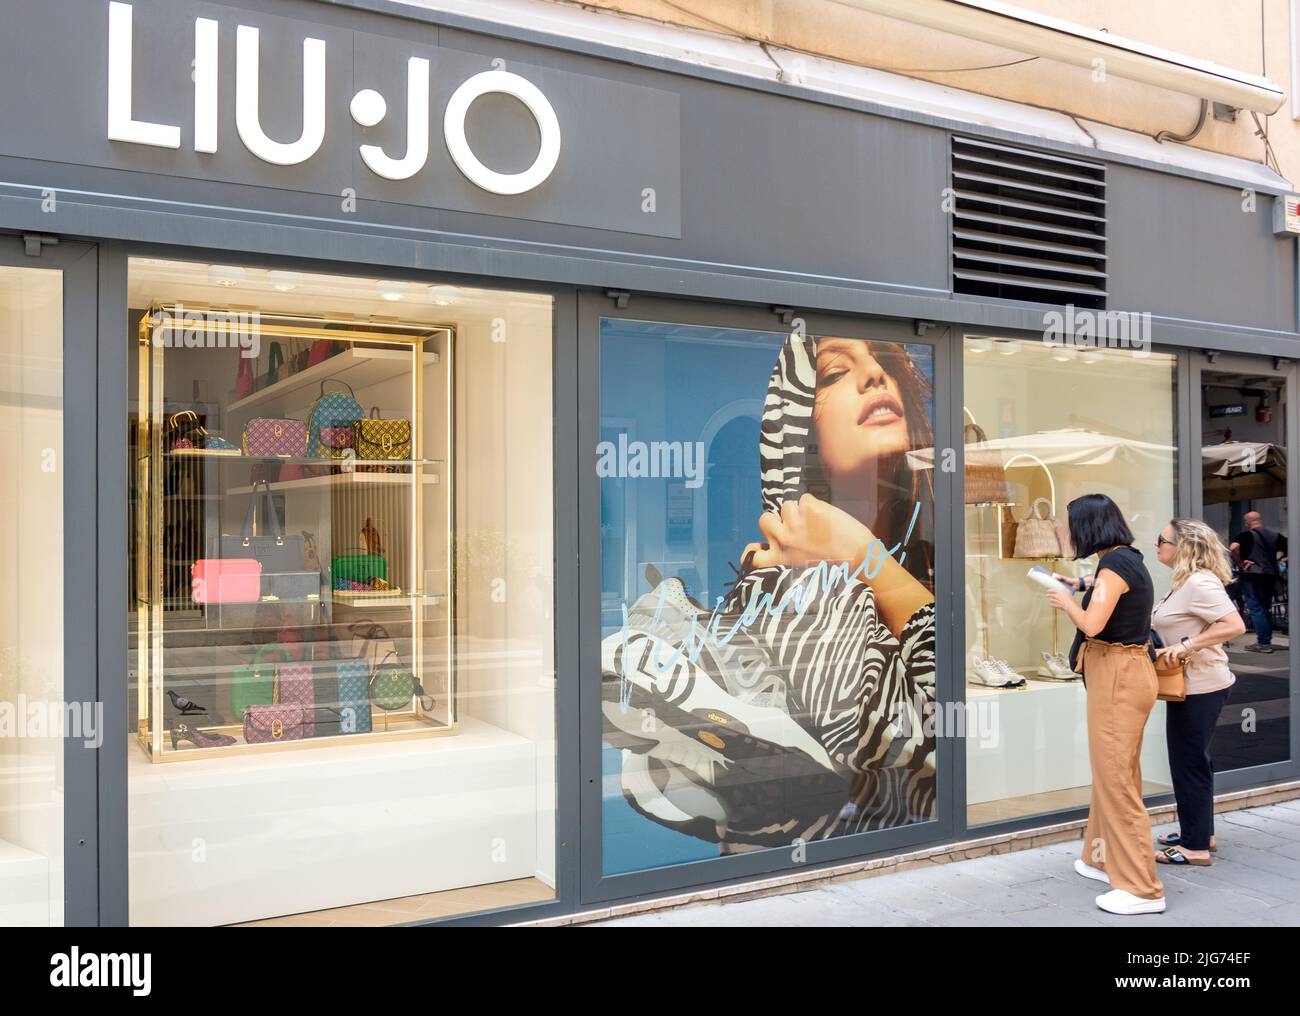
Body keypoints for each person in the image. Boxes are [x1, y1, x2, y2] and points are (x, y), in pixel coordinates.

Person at [601, 334, 937, 852]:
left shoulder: (932, 557)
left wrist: (861, 553)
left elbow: (940, 717)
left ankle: (717, 700)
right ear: (799, 427)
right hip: (823, 842)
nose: (875, 376)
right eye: (833, 374)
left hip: (903, 831)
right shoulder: (791, 572)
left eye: (884, 366)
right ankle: (729, 690)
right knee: (796, 584)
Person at [1045, 493, 1165, 915]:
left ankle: (1142, 888)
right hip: (1125, 674)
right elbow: (1108, 596)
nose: (1067, 531)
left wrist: (1065, 604)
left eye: (1070, 524)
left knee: (1117, 781)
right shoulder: (1125, 559)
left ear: (1088, 527)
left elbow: (1094, 623)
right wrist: (1076, 585)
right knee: (1114, 772)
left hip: (1118, 677)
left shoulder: (1115, 564)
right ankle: (1100, 858)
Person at [1150, 518, 1246, 866]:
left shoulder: (1200, 583)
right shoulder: (1185, 582)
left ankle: (1195, 848)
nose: (1156, 544)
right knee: (1194, 762)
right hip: (1190, 685)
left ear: (1184, 546)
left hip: (1202, 686)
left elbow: (1234, 625)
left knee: (1189, 764)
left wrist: (1188, 644)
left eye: (1161, 539)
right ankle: (1199, 832)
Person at [1230, 510, 1287, 653]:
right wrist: (1281, 561)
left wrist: (1241, 562)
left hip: (1253, 574)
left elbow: (1233, 547)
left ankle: (1263, 643)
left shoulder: (1246, 535)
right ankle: (1266, 639)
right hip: (1270, 575)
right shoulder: (1275, 535)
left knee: (1255, 607)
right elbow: (1291, 548)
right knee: (1265, 607)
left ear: (1247, 522)